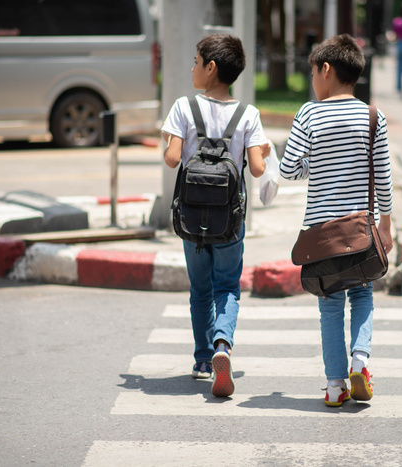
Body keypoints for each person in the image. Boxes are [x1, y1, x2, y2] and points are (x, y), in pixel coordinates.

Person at [280, 34, 394, 407]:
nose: (313, 80)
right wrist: (386, 226)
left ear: (325, 70)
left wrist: (316, 162)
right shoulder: (373, 116)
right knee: (363, 293)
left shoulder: (309, 113)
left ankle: (335, 386)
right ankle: (360, 362)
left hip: (322, 235)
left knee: (329, 304)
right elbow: (384, 176)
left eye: (313, 72)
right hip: (363, 229)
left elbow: (288, 170)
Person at [161, 34, 270, 398]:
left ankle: (204, 360)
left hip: (191, 222)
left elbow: (174, 159)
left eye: (195, 61)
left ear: (211, 67)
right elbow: (256, 169)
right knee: (227, 287)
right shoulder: (248, 115)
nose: (192, 68)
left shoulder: (182, 107)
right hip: (230, 221)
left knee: (200, 290)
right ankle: (223, 345)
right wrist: (264, 150)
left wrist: (169, 141)